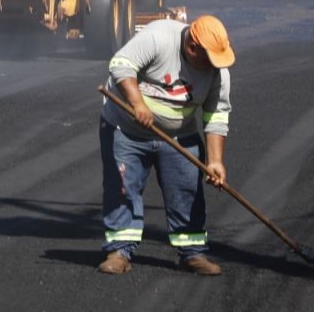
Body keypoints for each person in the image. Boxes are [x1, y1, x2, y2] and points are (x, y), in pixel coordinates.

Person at [97, 14, 234, 276]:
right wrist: (137, 103)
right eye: (208, 59)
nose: (213, 67)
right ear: (192, 48)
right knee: (123, 188)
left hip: (179, 135)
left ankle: (192, 252)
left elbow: (215, 115)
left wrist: (214, 161)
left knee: (187, 190)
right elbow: (121, 65)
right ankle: (119, 251)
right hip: (125, 129)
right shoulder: (159, 38)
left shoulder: (218, 73)